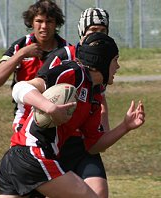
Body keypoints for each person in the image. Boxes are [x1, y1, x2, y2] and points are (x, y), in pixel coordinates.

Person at [0, 32, 146, 198]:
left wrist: (125, 126)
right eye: (115, 60)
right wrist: (50, 108)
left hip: (20, 159)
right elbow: (20, 88)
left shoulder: (94, 97)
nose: (117, 67)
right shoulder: (74, 73)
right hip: (32, 153)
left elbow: (94, 146)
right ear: (101, 61)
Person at [38, 7, 111, 197]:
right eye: (93, 30)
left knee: (99, 192)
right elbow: (38, 89)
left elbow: (99, 97)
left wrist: (104, 124)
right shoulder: (63, 56)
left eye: (103, 31)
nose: (98, 36)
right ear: (82, 32)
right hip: (55, 141)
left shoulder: (105, 59)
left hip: (83, 142)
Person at [0, 0, 70, 132]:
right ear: (31, 22)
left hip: (57, 116)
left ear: (56, 24)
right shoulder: (20, 46)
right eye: (39, 21)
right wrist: (21, 54)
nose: (44, 26)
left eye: (49, 21)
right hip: (24, 119)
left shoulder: (67, 51)